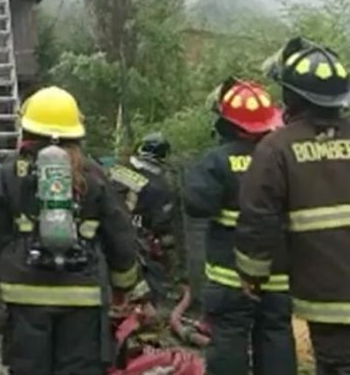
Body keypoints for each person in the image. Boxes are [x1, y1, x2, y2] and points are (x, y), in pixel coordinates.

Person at [0, 86, 143, 375]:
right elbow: (121, 238)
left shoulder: (5, 175)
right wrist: (123, 288)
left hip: (23, 294)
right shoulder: (94, 175)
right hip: (82, 297)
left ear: (27, 129)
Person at [236, 37, 350, 375]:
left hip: (328, 299)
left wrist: (253, 276)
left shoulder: (276, 148)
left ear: (291, 95)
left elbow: (258, 218)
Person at [184, 77, 294, 375]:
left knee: (229, 341)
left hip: (230, 278)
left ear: (228, 122)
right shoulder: (284, 155)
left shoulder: (216, 161)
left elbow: (196, 204)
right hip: (279, 275)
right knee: (277, 338)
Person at [109, 133, 178, 304]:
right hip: (137, 241)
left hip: (106, 232)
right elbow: (162, 225)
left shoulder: (115, 170)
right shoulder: (160, 186)